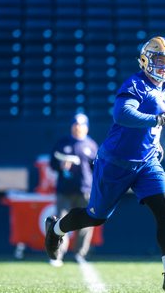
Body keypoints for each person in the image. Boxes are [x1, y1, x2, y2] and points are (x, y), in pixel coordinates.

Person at [45, 36, 165, 291]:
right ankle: (56, 229)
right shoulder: (135, 83)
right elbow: (123, 114)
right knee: (95, 217)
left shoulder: (163, 88)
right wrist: (156, 120)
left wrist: (155, 139)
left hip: (147, 163)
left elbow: (152, 123)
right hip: (116, 162)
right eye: (160, 60)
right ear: (146, 59)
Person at [48, 113, 98, 266]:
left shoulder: (91, 145)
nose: (78, 127)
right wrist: (61, 165)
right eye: (76, 124)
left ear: (87, 128)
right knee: (60, 222)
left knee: (85, 222)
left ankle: (80, 254)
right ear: (71, 126)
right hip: (65, 189)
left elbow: (96, 168)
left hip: (85, 190)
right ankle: (58, 254)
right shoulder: (63, 143)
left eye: (82, 125)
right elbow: (52, 164)